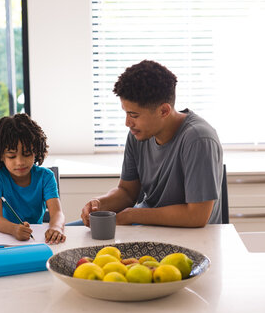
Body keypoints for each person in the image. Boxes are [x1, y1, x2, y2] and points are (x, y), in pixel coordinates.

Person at [81, 60, 223, 227]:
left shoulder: (198, 139)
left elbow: (196, 216)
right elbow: (127, 192)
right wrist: (99, 203)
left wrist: (133, 215)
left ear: (164, 111)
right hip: (147, 227)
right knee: (68, 235)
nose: (127, 123)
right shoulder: (138, 134)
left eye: (133, 115)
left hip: (190, 237)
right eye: (126, 113)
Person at [0, 113, 66, 244]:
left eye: (27, 154)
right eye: (11, 156)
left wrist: (56, 227)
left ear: (36, 151)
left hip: (29, 239)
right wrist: (14, 229)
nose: (20, 162)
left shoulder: (46, 177)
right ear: (0, 155)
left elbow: (57, 214)